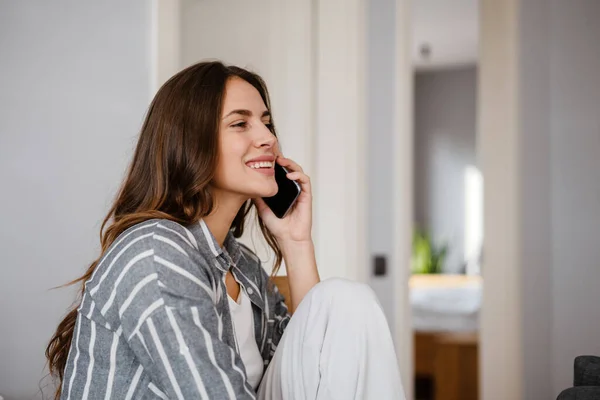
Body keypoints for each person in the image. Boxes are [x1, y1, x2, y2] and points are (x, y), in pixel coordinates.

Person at [46, 61, 405, 400]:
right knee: (344, 299)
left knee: (346, 299)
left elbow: (317, 365)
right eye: (240, 124)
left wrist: (297, 243)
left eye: (266, 122)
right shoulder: (155, 253)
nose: (267, 137)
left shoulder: (241, 264)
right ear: (190, 142)